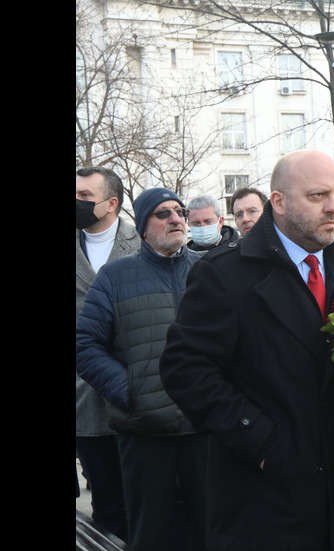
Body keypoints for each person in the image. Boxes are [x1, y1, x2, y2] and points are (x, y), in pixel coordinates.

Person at [159, 150, 334, 550]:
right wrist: (260, 442)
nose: (333, 207)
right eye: (317, 196)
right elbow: (185, 369)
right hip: (263, 496)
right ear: (278, 202)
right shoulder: (224, 273)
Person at [76, 187, 206, 551]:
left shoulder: (207, 272)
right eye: (162, 213)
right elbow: (85, 346)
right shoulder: (115, 277)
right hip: (145, 433)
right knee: (150, 534)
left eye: (179, 211)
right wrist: (132, 391)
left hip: (206, 430)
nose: (176, 219)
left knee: (210, 531)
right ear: (144, 228)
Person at [76, 166, 138, 542]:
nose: (78, 201)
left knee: (145, 500)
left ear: (111, 204)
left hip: (136, 395)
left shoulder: (143, 242)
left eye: (85, 196)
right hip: (83, 398)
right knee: (106, 505)